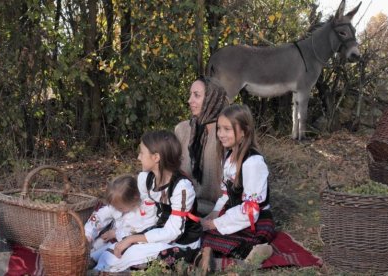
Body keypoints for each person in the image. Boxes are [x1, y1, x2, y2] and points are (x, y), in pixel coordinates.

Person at [94, 130, 205, 273]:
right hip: (157, 230)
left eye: (142, 153)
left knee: (133, 253)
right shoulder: (146, 179)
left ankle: (193, 256)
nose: (139, 157)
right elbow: (146, 213)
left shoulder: (182, 187)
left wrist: (132, 239)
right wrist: (127, 234)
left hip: (181, 239)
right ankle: (101, 268)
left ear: (156, 157)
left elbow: (173, 231)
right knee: (113, 251)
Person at [200, 104, 276, 267]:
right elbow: (227, 193)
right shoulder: (228, 155)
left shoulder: (253, 162)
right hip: (236, 214)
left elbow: (251, 210)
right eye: (219, 128)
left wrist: (215, 224)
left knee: (205, 237)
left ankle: (253, 251)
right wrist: (214, 214)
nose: (220, 134)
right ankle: (239, 251)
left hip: (256, 220)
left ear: (244, 131)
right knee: (196, 230)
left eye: (227, 129)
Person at [175, 76, 228, 215]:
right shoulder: (182, 129)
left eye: (196, 95)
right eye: (190, 95)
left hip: (219, 209)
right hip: (184, 205)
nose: (189, 100)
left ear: (213, 99)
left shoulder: (226, 133)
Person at [84, 174, 157, 271]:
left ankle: (97, 267)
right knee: (94, 246)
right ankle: (89, 260)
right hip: (110, 240)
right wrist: (88, 234)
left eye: (120, 208)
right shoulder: (117, 205)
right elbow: (99, 217)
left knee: (109, 254)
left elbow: (140, 233)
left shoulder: (143, 212)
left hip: (126, 244)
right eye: (115, 207)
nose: (117, 209)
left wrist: (115, 234)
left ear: (134, 199)